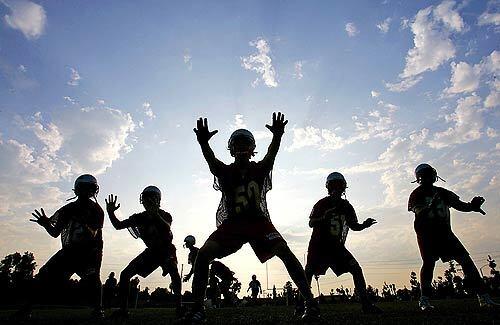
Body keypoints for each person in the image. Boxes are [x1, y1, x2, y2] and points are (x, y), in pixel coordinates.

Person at [190, 113, 319, 322]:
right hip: (233, 224)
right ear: (231, 150)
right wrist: (203, 144)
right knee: (203, 254)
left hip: (258, 222)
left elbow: (271, 154)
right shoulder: (224, 171)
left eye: (245, 144)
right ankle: (197, 309)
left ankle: (309, 302)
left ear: (252, 149)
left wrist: (278, 136)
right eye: (237, 144)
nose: (241, 147)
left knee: (285, 252)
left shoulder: (259, 169)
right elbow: (211, 161)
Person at [408, 163, 499, 311]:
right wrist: (430, 205)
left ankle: (483, 297)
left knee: (467, 262)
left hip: (446, 234)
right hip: (427, 236)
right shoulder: (416, 194)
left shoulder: (442, 192)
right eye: (426, 174)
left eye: (431, 173)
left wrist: (472, 206)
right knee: (429, 264)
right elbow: (420, 212)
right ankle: (424, 300)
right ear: (419, 178)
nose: (430, 176)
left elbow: (460, 205)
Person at [23, 174, 104, 318]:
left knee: (94, 280)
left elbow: (92, 233)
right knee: (43, 276)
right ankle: (26, 309)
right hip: (70, 251)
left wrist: (82, 222)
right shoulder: (68, 209)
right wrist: (46, 224)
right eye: (83, 188)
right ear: (77, 190)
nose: (86, 191)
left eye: (89, 188)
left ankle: (98, 310)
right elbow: (55, 232)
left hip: (90, 252)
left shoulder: (97, 210)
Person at [304, 172, 382, 314]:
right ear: (329, 187)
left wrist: (364, 225)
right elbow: (311, 223)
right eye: (334, 186)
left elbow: (353, 226)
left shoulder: (346, 206)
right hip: (319, 245)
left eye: (339, 186)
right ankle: (304, 304)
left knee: (356, 269)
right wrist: (323, 217)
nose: (337, 189)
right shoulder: (322, 203)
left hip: (336, 246)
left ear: (343, 188)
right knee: (308, 271)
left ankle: (366, 304)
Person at [106, 186, 182, 317]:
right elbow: (118, 226)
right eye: (146, 198)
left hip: (166, 250)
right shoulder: (139, 217)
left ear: (158, 200)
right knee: (125, 275)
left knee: (174, 272)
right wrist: (111, 213)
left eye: (151, 198)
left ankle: (179, 306)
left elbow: (166, 227)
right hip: (151, 252)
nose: (147, 201)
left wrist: (155, 214)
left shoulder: (165, 215)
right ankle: (123, 310)